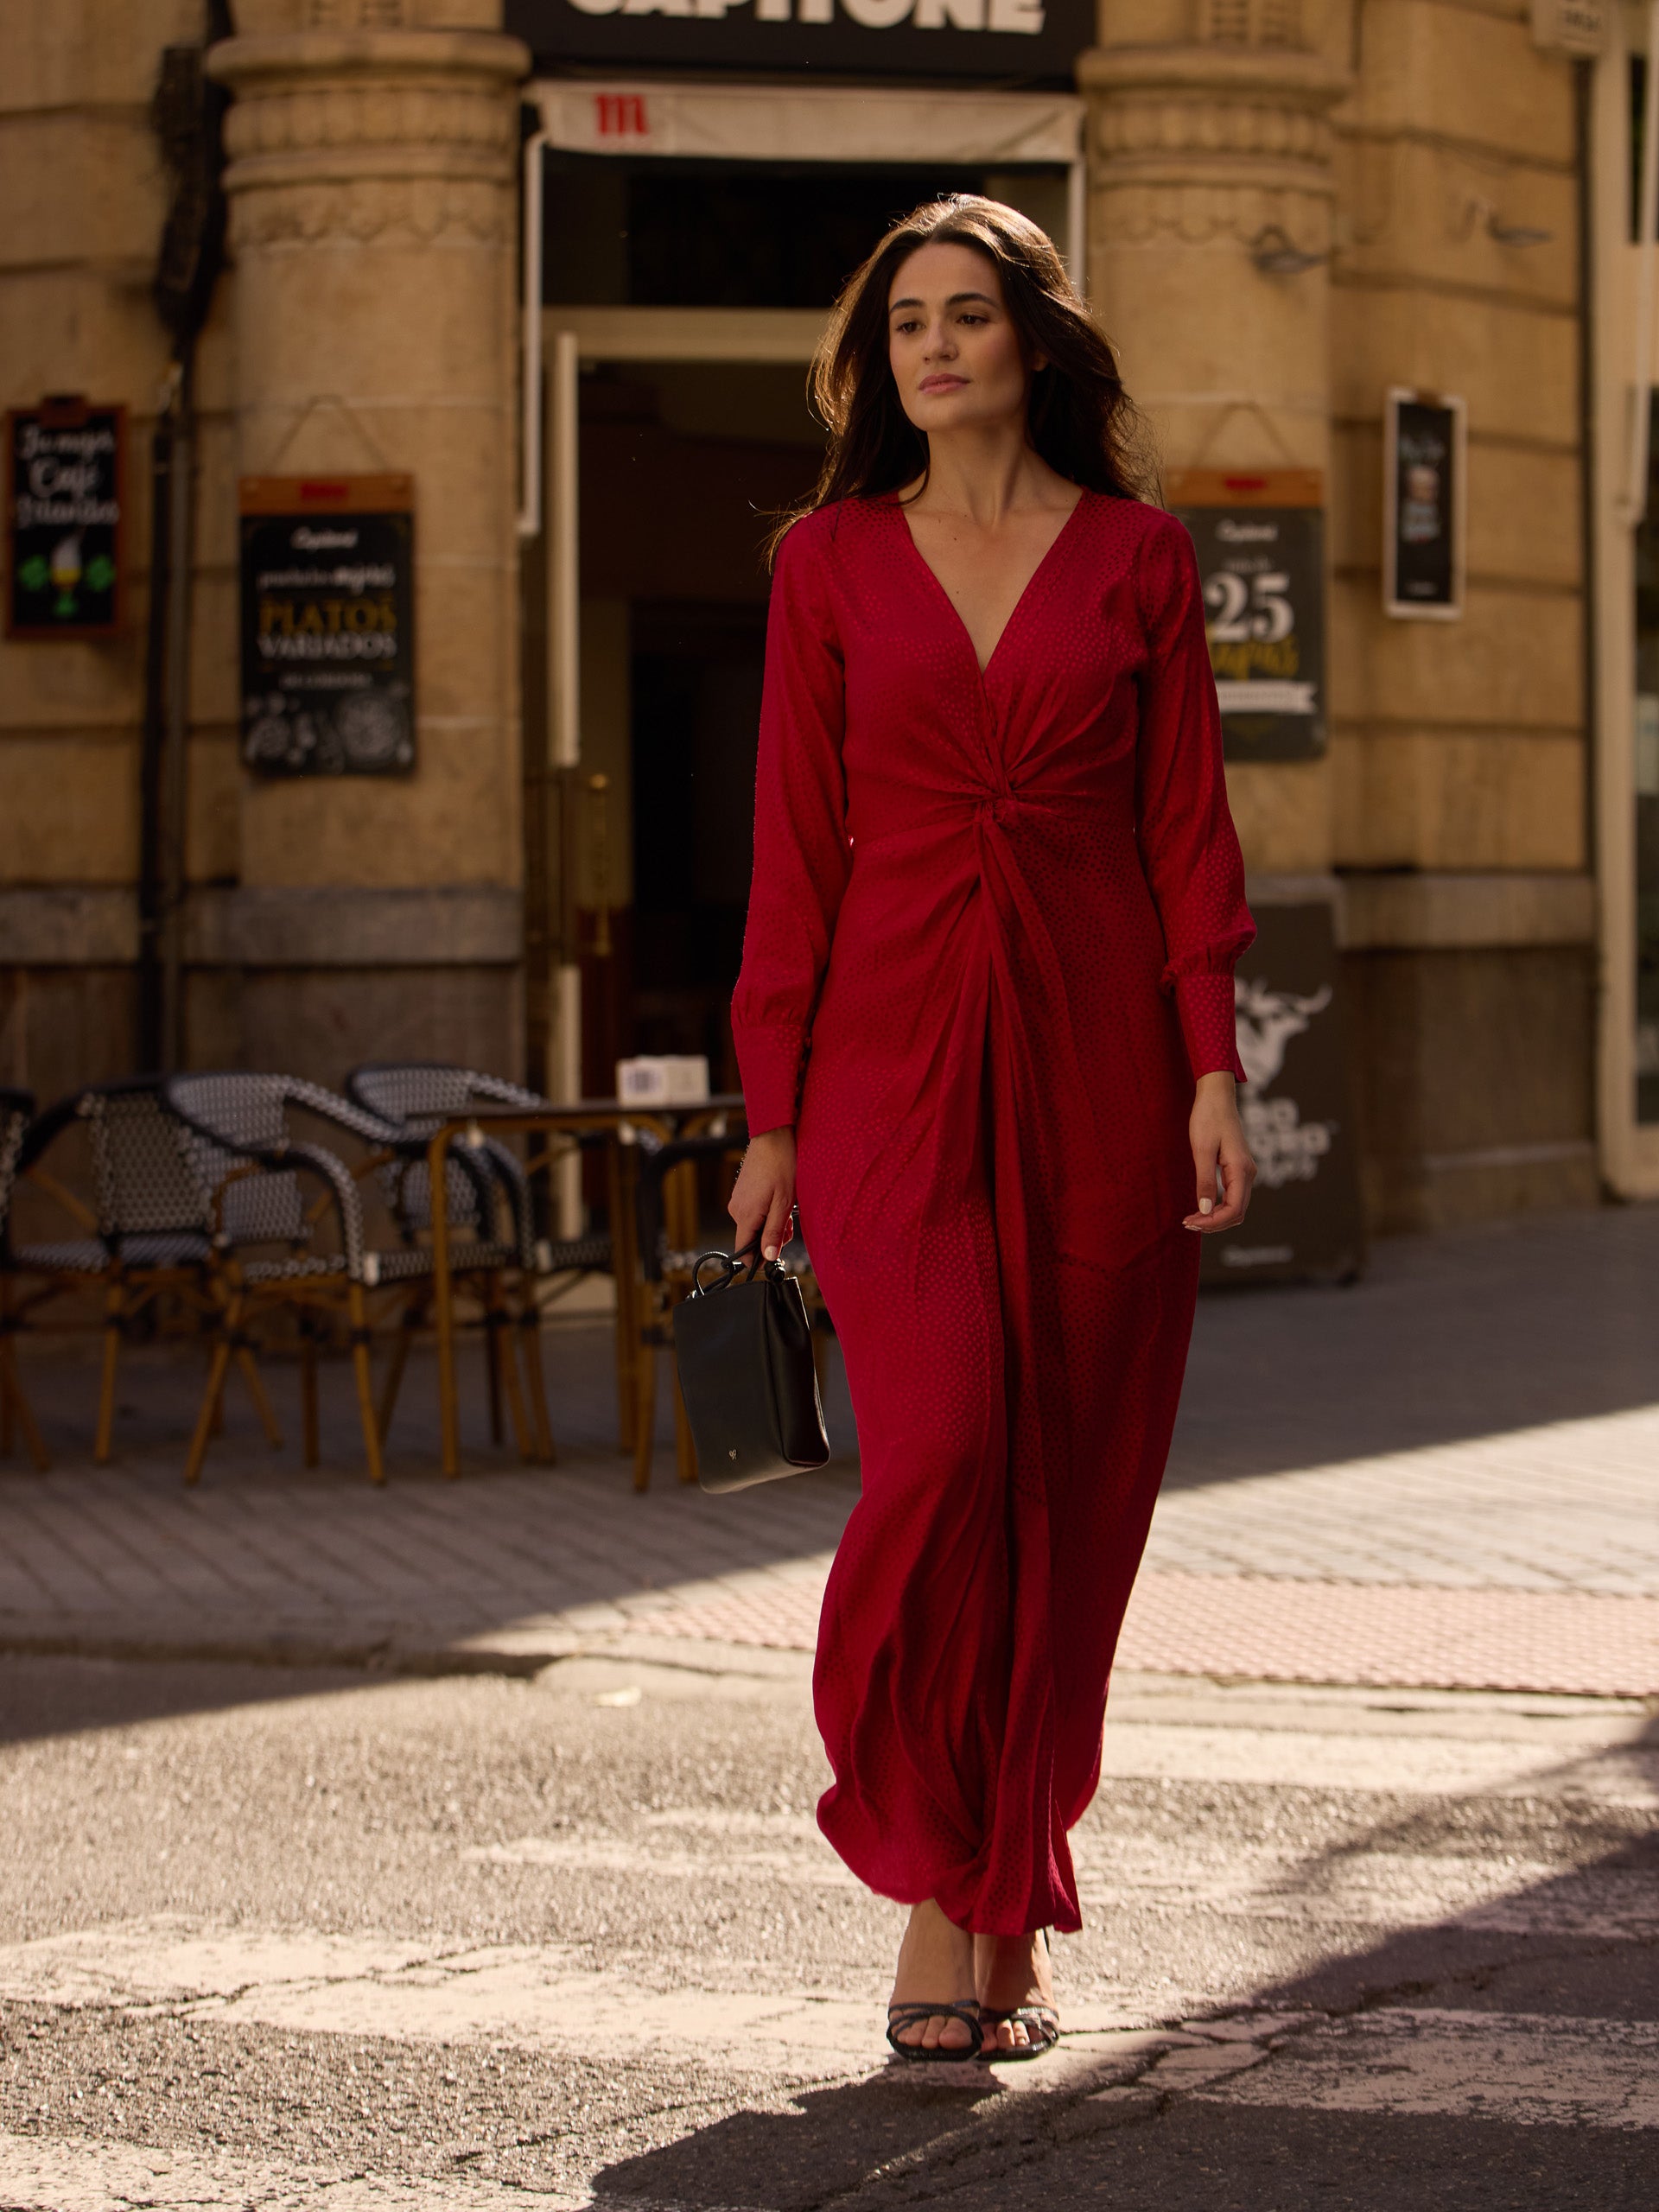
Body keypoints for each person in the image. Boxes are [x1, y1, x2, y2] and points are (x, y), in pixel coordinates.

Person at [726, 196, 1256, 2064]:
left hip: (1106, 1061)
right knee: (941, 1458)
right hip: (887, 1068)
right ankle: (935, 1884)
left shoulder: (1137, 559)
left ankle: (997, 1902)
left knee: (1073, 1492)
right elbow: (792, 855)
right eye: (905, 325)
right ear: (881, 365)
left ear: (1034, 340)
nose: (935, 347)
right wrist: (769, 1106)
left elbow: (1188, 830)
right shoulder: (827, 566)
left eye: (969, 315)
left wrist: (1212, 1064)